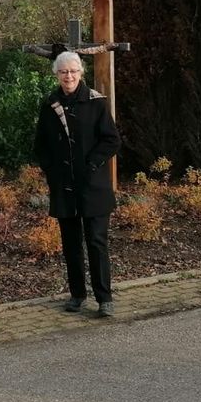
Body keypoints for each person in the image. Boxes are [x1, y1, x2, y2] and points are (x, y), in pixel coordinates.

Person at [33, 51, 122, 317]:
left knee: (96, 242)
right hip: (64, 188)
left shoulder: (96, 103)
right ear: (56, 75)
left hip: (94, 187)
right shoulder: (50, 104)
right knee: (71, 243)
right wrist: (52, 172)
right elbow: (41, 145)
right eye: (63, 72)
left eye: (73, 71)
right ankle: (77, 294)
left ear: (81, 73)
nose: (68, 76)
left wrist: (92, 164)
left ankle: (104, 298)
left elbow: (111, 140)